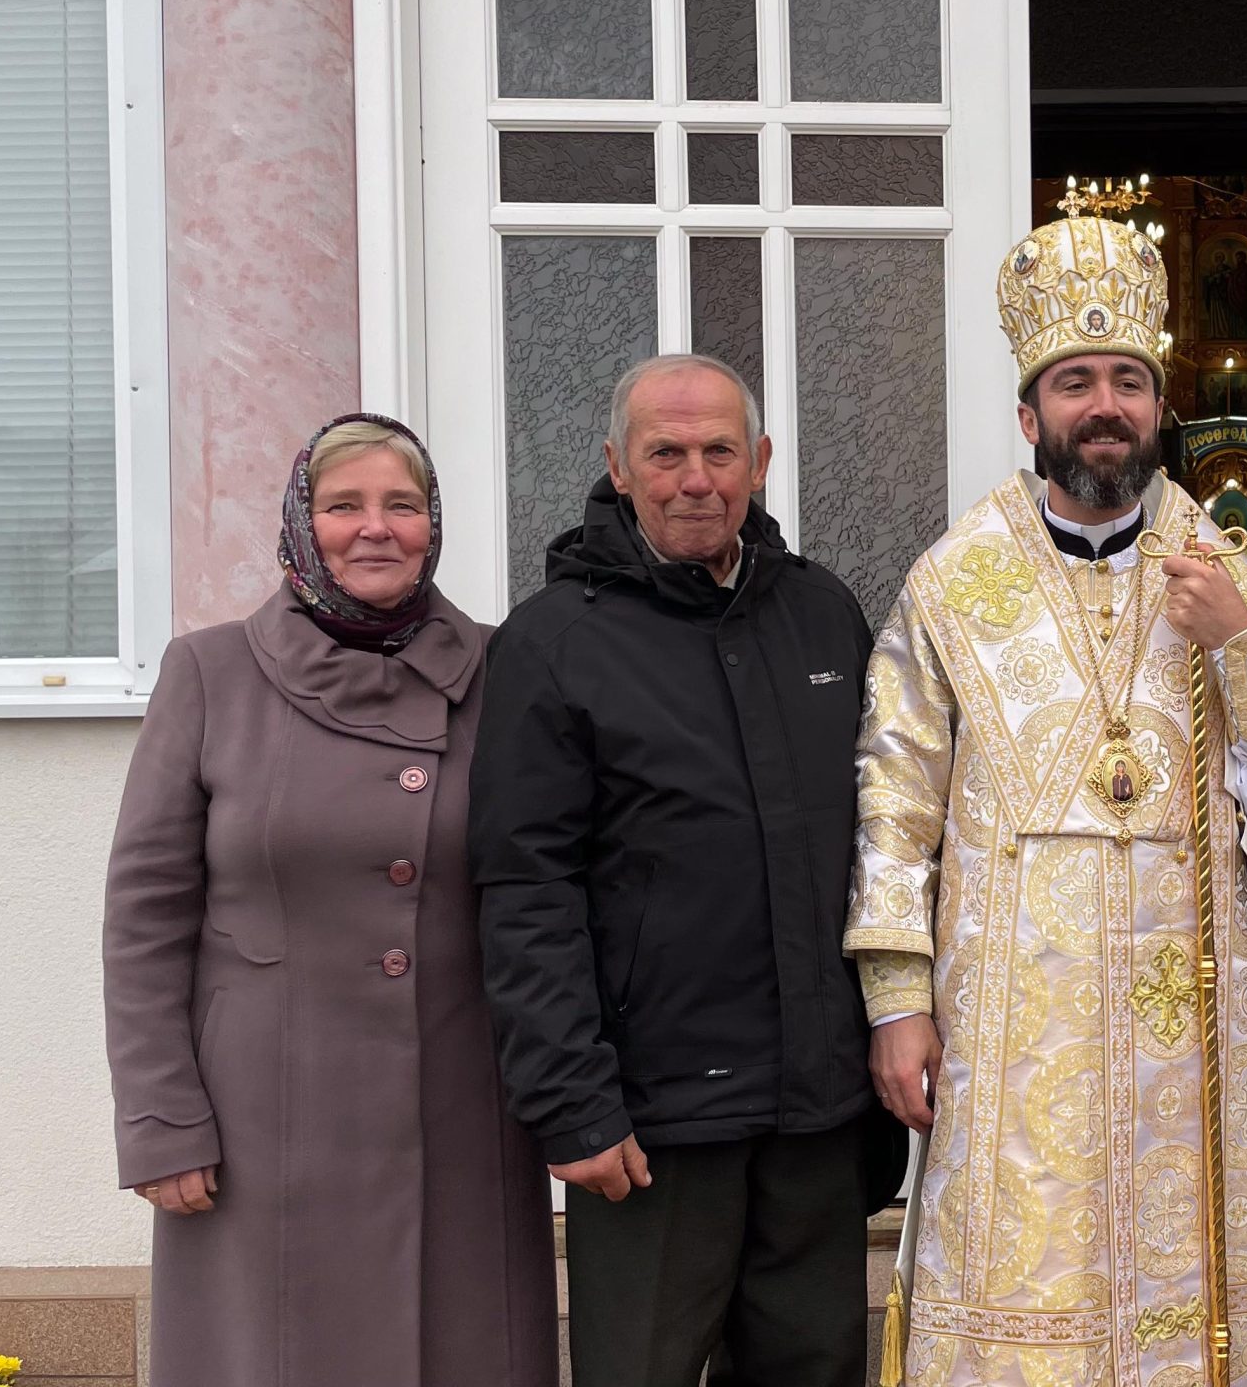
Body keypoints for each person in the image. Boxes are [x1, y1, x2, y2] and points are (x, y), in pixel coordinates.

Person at [852, 214, 1247, 1386]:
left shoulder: (1226, 573)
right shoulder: (952, 580)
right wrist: (896, 1002)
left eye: (1127, 382)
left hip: (1191, 1007)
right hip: (1011, 1011)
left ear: (1157, 406)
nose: (1104, 406)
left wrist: (1243, 649)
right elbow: (894, 794)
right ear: (1030, 415)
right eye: (1074, 382)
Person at [468, 354, 896, 1387]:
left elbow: (884, 840)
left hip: (816, 1116)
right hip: (650, 1126)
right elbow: (525, 890)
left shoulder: (822, 613)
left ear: (760, 461)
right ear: (619, 467)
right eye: (665, 454)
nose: (695, 479)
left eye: (719, 452)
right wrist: (572, 1103)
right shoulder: (552, 643)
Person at [103, 413, 557, 1387]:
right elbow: (145, 920)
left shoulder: (504, 669)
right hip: (259, 1120)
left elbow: (553, 886)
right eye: (344, 505)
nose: (375, 528)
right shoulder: (210, 673)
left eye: (402, 505)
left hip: (462, 1114)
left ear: (433, 524)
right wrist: (160, 1121)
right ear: (300, 524)